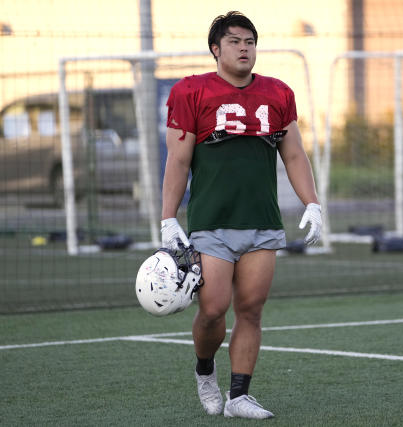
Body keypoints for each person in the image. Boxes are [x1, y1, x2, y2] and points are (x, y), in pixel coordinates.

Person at [160, 11, 322, 419]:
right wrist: (168, 218)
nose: (244, 48)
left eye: (250, 41)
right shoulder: (191, 92)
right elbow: (177, 162)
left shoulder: (278, 93)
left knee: (250, 308)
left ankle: (239, 396)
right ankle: (204, 371)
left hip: (262, 220)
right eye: (234, 41)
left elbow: (294, 154)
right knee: (213, 307)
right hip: (212, 221)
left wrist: (312, 202)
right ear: (216, 49)